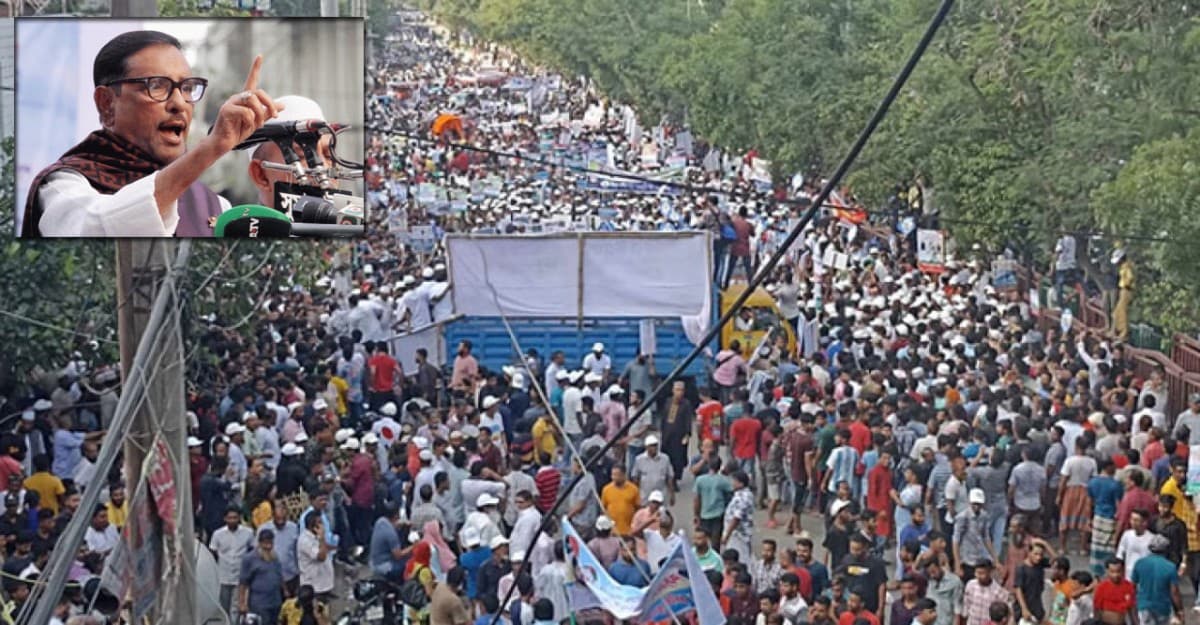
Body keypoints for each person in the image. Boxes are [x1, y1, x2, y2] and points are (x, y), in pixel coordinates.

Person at [24, 32, 281, 236]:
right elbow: (99, 227)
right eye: (157, 86)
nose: (179, 103)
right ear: (106, 103)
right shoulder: (63, 187)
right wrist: (211, 148)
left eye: (187, 88)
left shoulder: (215, 206)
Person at [210, 506, 255, 622]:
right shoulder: (218, 534)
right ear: (225, 519)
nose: (232, 520)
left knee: (236, 607)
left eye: (235, 518)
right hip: (223, 576)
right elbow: (213, 553)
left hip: (240, 576)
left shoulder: (248, 533)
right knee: (223, 606)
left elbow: (252, 550)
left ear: (239, 518)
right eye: (230, 518)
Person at [1130, 536, 1183, 625]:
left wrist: (1133, 607)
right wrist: (1179, 610)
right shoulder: (1170, 567)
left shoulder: (1139, 563)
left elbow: (1132, 587)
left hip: (1144, 605)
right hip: (1163, 607)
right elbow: (1174, 592)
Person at [239, 528, 284, 625]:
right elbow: (243, 583)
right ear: (259, 543)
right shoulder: (249, 558)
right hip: (259, 603)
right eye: (265, 543)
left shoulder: (275, 557)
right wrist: (242, 603)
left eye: (270, 543)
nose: (268, 546)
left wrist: (285, 591)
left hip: (275, 602)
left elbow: (279, 576)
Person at [723, 470, 756, 565]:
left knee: (740, 558)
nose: (732, 483)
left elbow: (736, 518)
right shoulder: (741, 494)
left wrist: (727, 535)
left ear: (741, 483)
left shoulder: (743, 497)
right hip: (737, 533)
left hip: (739, 534)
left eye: (734, 481)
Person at [1093, 558, 1134, 625]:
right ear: (1107, 571)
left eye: (1118, 571)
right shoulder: (1101, 587)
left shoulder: (1129, 586)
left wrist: (1135, 623)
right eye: (1112, 572)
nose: (1116, 575)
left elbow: (1132, 608)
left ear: (1123, 571)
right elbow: (1096, 609)